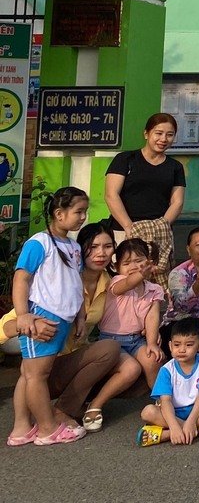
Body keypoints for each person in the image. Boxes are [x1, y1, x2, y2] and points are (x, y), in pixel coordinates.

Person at [8, 187, 90, 446]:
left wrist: (80, 317)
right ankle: (47, 429)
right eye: (78, 211)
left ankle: (21, 428)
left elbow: (75, 283)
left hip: (62, 317)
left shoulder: (73, 246)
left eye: (85, 212)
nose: (83, 217)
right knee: (37, 375)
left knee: (29, 373)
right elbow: (21, 278)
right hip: (43, 317)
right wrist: (24, 316)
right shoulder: (38, 243)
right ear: (59, 213)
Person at [104, 113, 185, 278]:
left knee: (156, 280)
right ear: (146, 134)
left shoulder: (175, 167)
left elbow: (177, 202)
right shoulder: (125, 159)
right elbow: (111, 195)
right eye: (158, 133)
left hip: (160, 235)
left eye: (170, 135)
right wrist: (129, 227)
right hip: (123, 230)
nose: (163, 139)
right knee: (123, 278)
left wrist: (160, 227)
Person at [137, 316, 199, 446]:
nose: (182, 350)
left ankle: (165, 435)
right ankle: (197, 430)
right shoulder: (167, 369)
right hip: (173, 412)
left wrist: (191, 421)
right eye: (177, 345)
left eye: (189, 345)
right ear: (170, 345)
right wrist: (174, 426)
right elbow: (165, 401)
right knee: (148, 412)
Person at [99, 238, 165, 389]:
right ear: (117, 267)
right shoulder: (116, 281)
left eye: (139, 261)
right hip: (111, 340)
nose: (133, 266)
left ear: (149, 261)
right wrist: (141, 274)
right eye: (126, 263)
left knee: (153, 359)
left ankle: (160, 397)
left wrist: (151, 343)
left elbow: (152, 317)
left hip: (136, 340)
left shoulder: (154, 289)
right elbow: (129, 283)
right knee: (131, 369)